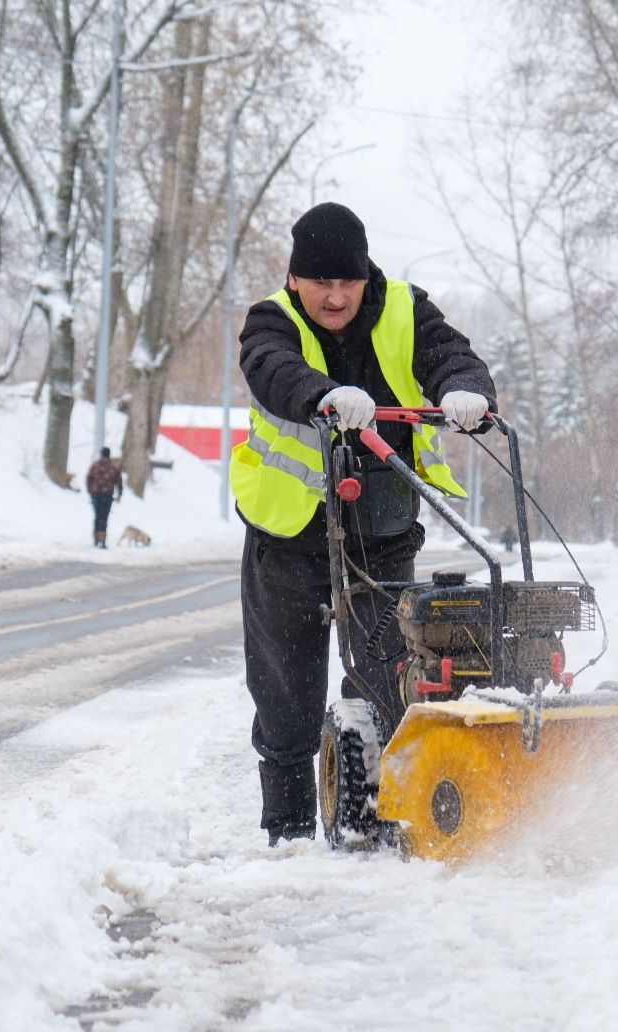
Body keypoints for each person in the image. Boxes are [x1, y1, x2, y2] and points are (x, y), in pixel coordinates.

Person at [232, 202, 496, 846]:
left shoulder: (406, 308)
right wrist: (320, 395)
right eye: (319, 281)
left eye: (345, 281)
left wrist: (466, 391)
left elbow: (449, 355)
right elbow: (270, 368)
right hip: (288, 533)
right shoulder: (272, 317)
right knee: (286, 685)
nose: (333, 294)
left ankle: (375, 820)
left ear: (364, 275)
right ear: (296, 279)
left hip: (381, 529)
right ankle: (289, 831)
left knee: (385, 674)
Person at [86, 448, 123, 549]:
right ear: (109, 455)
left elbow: (89, 478)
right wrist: (119, 494)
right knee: (104, 518)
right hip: (107, 496)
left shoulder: (95, 466)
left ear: (101, 454)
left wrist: (90, 491)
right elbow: (119, 482)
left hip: (96, 495)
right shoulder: (113, 467)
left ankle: (96, 539)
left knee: (97, 517)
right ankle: (102, 540)